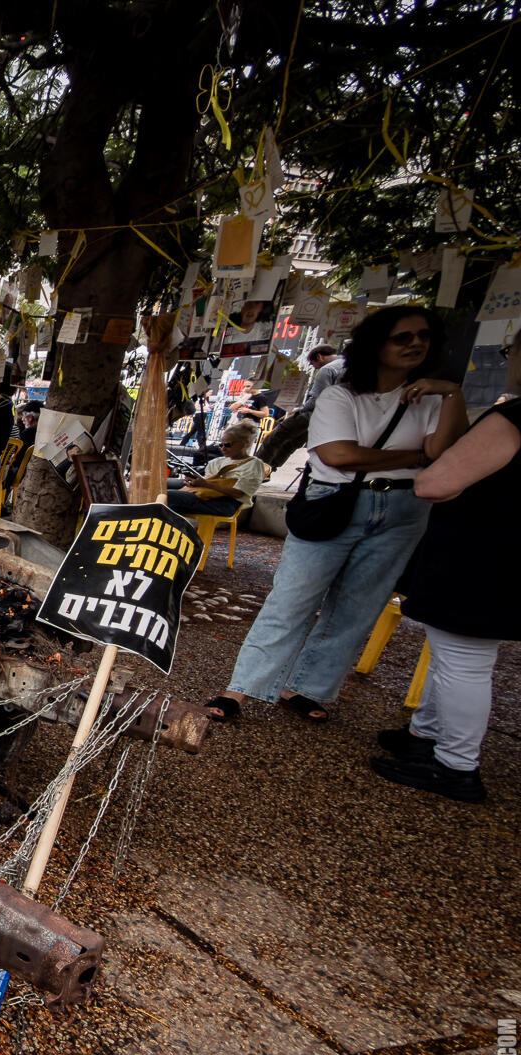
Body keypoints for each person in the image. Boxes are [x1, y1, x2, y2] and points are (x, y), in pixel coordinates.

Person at [205, 306, 468, 724]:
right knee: (292, 599)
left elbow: (442, 452)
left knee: (358, 607)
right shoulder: (341, 395)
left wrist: (451, 393)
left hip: (404, 507)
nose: (415, 344)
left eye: (423, 336)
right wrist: (414, 457)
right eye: (402, 337)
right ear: (376, 345)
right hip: (335, 500)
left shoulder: (436, 398)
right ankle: (241, 687)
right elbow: (339, 454)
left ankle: (306, 686)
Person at [367, 396, 519, 803]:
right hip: (500, 561)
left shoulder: (514, 417)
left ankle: (456, 765)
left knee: (464, 663)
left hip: (482, 558)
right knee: (451, 656)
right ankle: (425, 735)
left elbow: (433, 483)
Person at [257, 344, 347, 470]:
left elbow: (317, 399)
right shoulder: (349, 366)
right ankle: (270, 468)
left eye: (312, 364)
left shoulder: (327, 369)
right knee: (293, 443)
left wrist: (300, 410)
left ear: (319, 357)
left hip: (312, 415)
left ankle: (256, 469)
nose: (314, 367)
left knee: (274, 438)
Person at [167, 421, 265, 516]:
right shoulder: (217, 462)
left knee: (167, 496)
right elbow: (207, 485)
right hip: (206, 496)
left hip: (228, 504)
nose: (223, 448)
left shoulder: (254, 464)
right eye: (221, 445)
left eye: (228, 445)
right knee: (169, 505)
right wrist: (194, 483)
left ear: (245, 444)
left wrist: (206, 484)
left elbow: (238, 494)